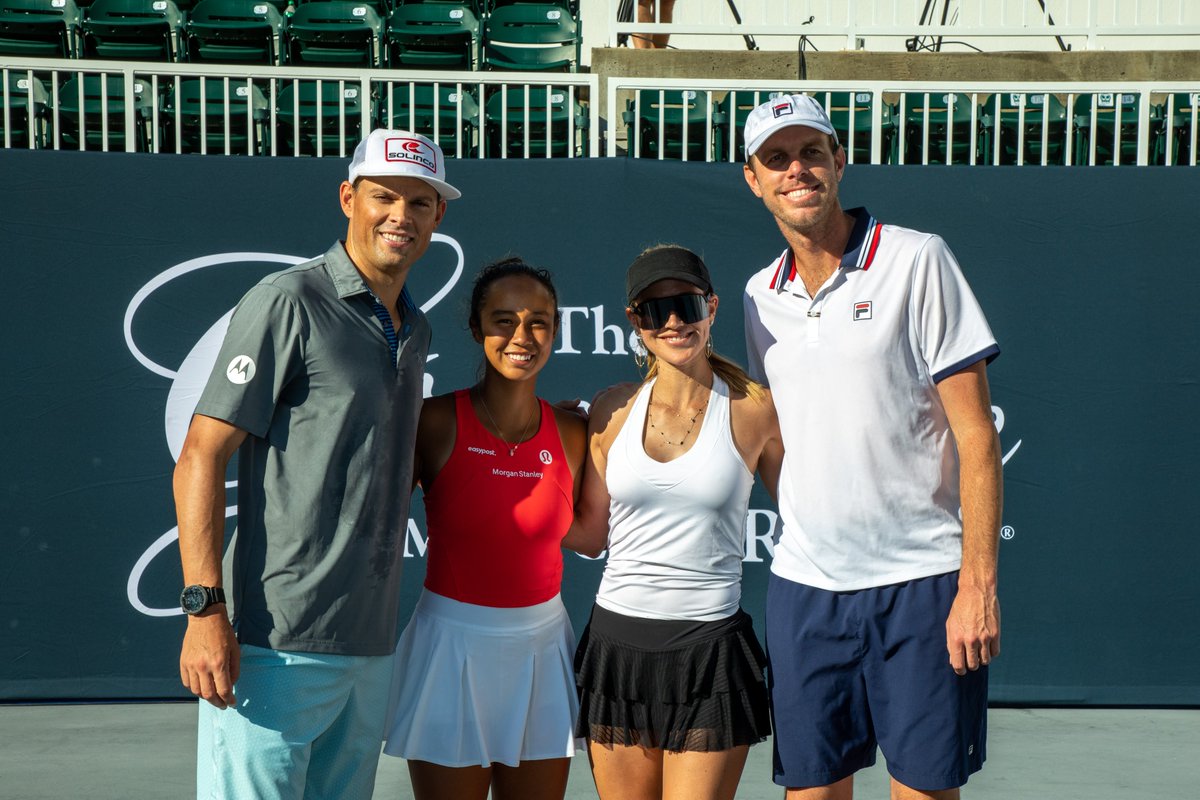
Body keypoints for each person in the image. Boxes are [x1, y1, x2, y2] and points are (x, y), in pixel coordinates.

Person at [174, 128, 456, 799]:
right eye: (385, 196)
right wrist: (204, 611)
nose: (401, 216)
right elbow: (200, 456)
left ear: (439, 216)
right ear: (347, 198)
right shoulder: (287, 301)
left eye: (420, 203)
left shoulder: (415, 328)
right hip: (276, 641)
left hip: (369, 642)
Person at [739, 94, 1003, 800]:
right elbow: (791, 437)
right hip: (806, 591)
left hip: (922, 586)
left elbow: (977, 437)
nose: (797, 170)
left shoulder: (919, 259)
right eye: (776, 158)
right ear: (753, 179)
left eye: (811, 153)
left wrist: (976, 585)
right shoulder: (758, 296)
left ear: (839, 162)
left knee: (921, 792)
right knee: (813, 793)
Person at [568, 245, 784, 800]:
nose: (673, 322)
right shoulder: (610, 409)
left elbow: (809, 512)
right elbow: (590, 536)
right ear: (634, 321)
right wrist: (509, 489)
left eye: (686, 305)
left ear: (710, 308)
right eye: (654, 310)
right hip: (617, 649)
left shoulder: (754, 409)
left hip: (710, 653)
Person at [382, 258, 587, 800]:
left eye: (539, 321)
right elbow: (369, 518)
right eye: (503, 320)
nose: (523, 336)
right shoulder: (434, 420)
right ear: (477, 329)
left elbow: (596, 534)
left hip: (543, 652)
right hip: (449, 650)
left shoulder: (575, 432)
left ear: (556, 328)